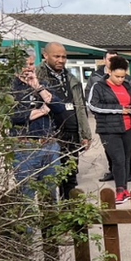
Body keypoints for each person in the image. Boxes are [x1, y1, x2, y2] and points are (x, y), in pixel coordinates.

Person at [36, 41, 91, 199]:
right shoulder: (37, 77)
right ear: (45, 56)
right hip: (50, 135)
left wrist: (85, 134)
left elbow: (80, 108)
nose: (61, 60)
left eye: (64, 57)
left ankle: (70, 216)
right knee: (50, 180)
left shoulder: (72, 78)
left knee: (70, 177)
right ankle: (52, 219)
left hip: (71, 134)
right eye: (57, 56)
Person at [87, 55, 131, 205]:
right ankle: (119, 190)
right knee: (117, 160)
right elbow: (92, 106)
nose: (120, 80)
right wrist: (118, 109)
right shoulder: (98, 86)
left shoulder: (128, 86)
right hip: (109, 130)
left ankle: (124, 188)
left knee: (125, 160)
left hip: (128, 128)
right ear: (109, 71)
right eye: (117, 76)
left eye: (123, 76)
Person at [11, 49, 64, 199]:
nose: (29, 68)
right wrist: (42, 111)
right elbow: (15, 116)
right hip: (25, 147)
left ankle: (51, 222)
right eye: (25, 65)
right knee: (26, 194)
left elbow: (59, 107)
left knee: (50, 193)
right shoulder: (10, 89)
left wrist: (38, 87)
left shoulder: (43, 84)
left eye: (31, 64)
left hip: (48, 144)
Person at [86, 50, 131, 183]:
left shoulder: (127, 80)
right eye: (110, 59)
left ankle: (126, 174)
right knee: (114, 154)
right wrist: (115, 110)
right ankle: (115, 174)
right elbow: (91, 99)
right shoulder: (96, 78)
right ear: (104, 60)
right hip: (107, 123)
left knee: (124, 155)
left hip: (126, 124)